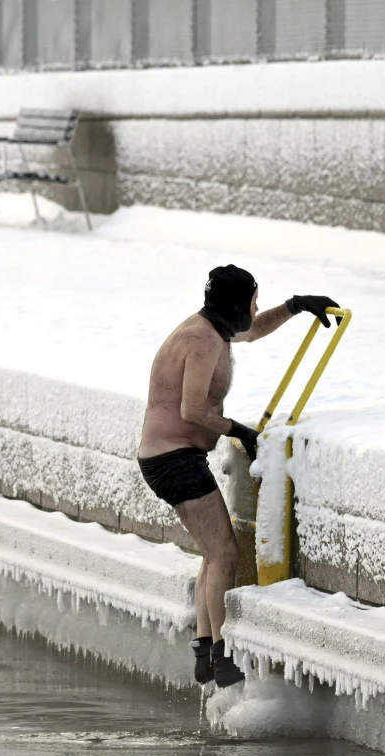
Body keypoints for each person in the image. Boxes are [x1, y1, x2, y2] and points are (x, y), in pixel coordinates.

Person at [137, 265, 337, 687]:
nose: (257, 308)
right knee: (225, 554)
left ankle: (206, 652)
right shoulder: (201, 341)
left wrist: (297, 306)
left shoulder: (214, 329)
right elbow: (192, 412)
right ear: (235, 304)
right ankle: (220, 654)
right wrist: (240, 431)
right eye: (253, 301)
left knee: (214, 554)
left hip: (176, 457)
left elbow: (254, 330)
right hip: (173, 459)